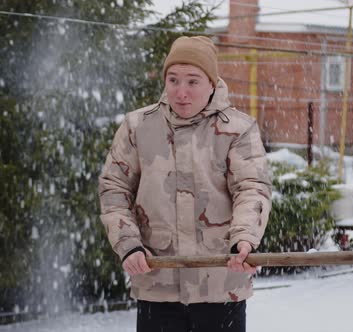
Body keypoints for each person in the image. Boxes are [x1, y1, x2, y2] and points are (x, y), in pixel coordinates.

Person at [98, 35, 271, 332]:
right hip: (157, 283)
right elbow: (114, 188)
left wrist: (243, 241)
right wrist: (129, 245)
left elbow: (251, 188)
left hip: (220, 285)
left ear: (212, 82)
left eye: (193, 81)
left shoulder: (237, 130)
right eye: (173, 80)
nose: (181, 92)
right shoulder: (138, 127)